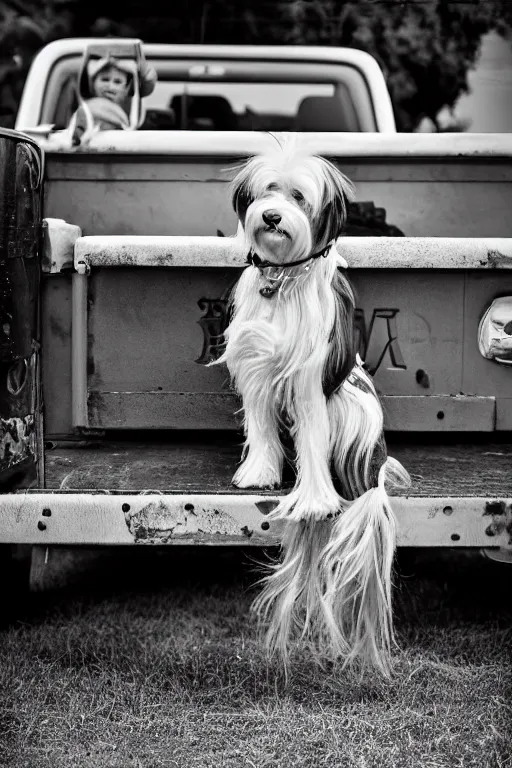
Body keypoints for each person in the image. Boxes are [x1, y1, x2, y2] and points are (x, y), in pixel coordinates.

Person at [69, 51, 157, 145]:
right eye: (105, 79)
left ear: (126, 89)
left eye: (118, 82)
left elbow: (148, 82)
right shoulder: (89, 110)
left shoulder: (130, 118)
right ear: (93, 83)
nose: (110, 86)